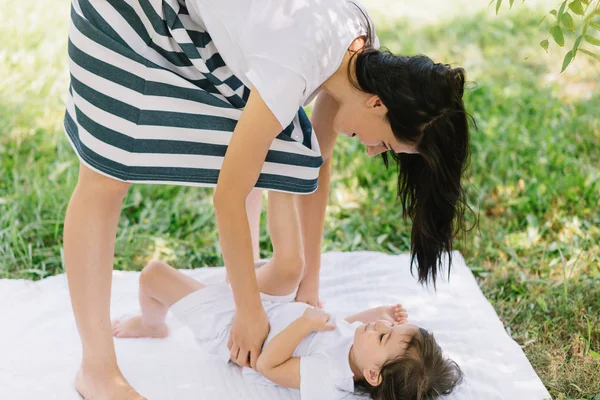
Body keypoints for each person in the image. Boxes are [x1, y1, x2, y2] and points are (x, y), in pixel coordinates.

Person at [62, 0, 472, 398]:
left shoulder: (358, 48)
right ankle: (97, 371)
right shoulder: (294, 62)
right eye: (384, 142)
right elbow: (228, 197)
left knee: (277, 151)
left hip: (200, 21)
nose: (370, 151)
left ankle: (235, 280)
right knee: (107, 171)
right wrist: (249, 309)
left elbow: (316, 166)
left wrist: (308, 283)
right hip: (131, 10)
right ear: (378, 103)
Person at [112, 190, 464, 399]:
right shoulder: (356, 347)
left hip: (235, 332)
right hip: (271, 308)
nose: (378, 326)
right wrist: (377, 312)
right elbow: (342, 324)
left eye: (384, 334)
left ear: (372, 375)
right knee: (290, 265)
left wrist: (304, 324)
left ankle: (151, 323)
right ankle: (280, 179)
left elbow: (268, 366)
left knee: (153, 274)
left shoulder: (328, 376)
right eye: (387, 326)